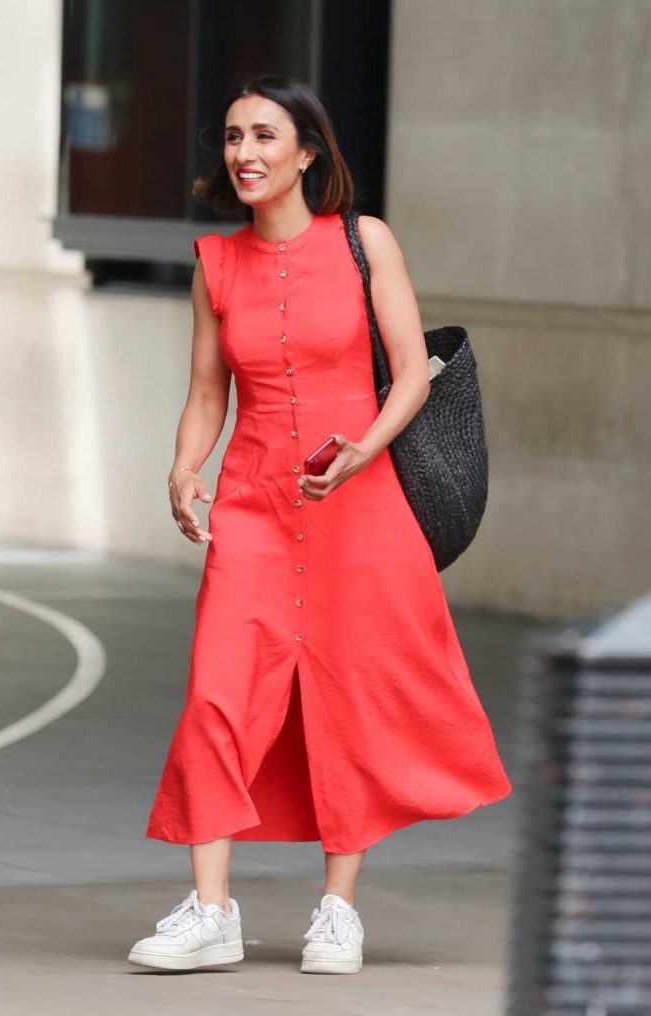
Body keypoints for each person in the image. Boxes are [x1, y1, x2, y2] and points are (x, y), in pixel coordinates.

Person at [128, 74, 512, 975]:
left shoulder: (365, 242)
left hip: (363, 506)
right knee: (220, 693)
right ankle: (211, 911)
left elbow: (414, 371)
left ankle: (337, 911)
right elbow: (206, 392)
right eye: (232, 137)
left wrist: (363, 449)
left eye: (266, 135)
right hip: (256, 508)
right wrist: (186, 467)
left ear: (308, 152)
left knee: (352, 699)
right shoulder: (215, 265)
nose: (246, 153)